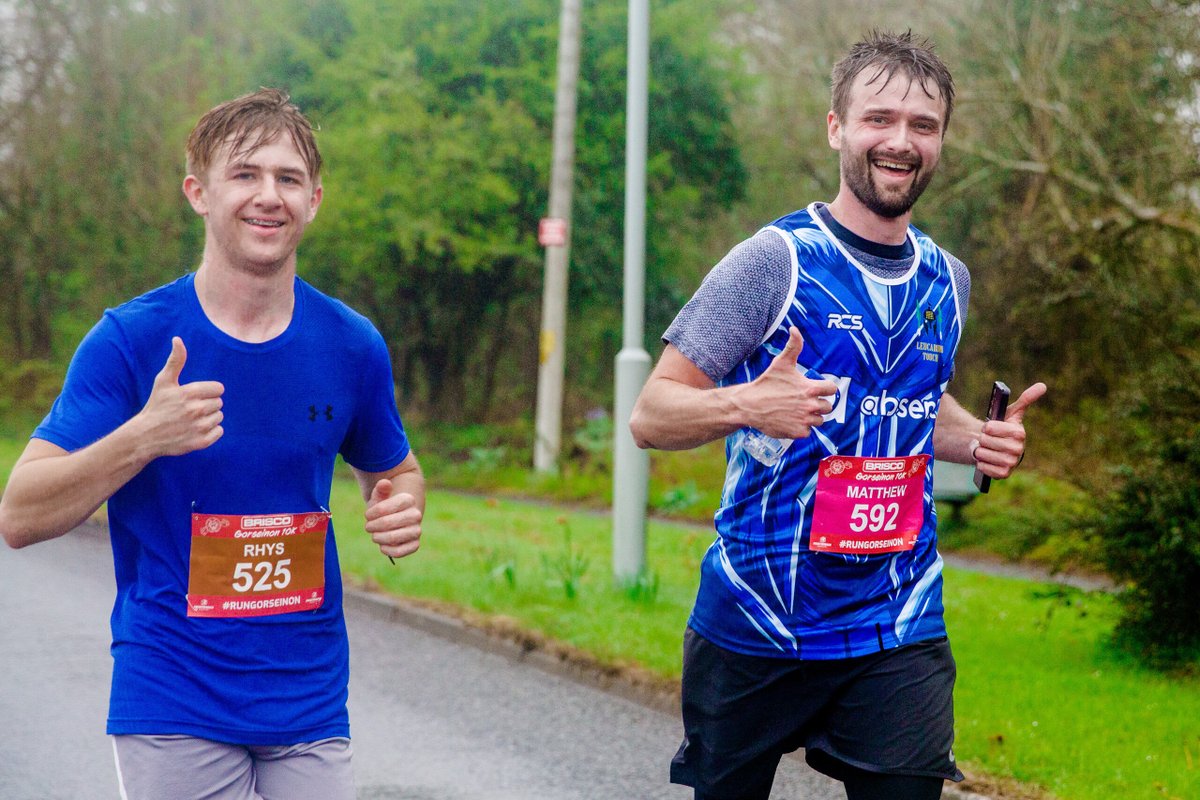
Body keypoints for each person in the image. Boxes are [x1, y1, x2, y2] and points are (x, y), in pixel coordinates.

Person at [630, 30, 1047, 800]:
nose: (900, 141)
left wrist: (978, 439)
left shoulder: (946, 279)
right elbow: (652, 414)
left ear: (942, 142)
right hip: (759, 619)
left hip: (897, 619)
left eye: (923, 126)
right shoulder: (772, 261)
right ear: (836, 128)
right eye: (878, 119)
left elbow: (916, 403)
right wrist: (750, 403)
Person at [0, 88, 424, 800]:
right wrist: (141, 437)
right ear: (199, 192)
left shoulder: (351, 344)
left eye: (288, 179)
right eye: (246, 174)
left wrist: (398, 506)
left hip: (310, 693)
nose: (269, 196)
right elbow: (19, 514)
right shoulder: (132, 340)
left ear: (315, 200)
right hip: (173, 690)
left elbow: (396, 471)